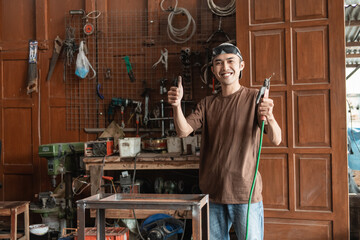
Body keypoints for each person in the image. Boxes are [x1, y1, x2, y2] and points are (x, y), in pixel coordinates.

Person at [167, 42, 282, 240]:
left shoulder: (255, 98)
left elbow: (276, 139)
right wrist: (176, 106)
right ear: (213, 70)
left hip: (244, 193)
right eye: (218, 63)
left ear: (241, 66)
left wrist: (269, 116)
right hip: (213, 193)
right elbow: (183, 131)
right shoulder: (208, 103)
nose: (225, 67)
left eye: (230, 61)